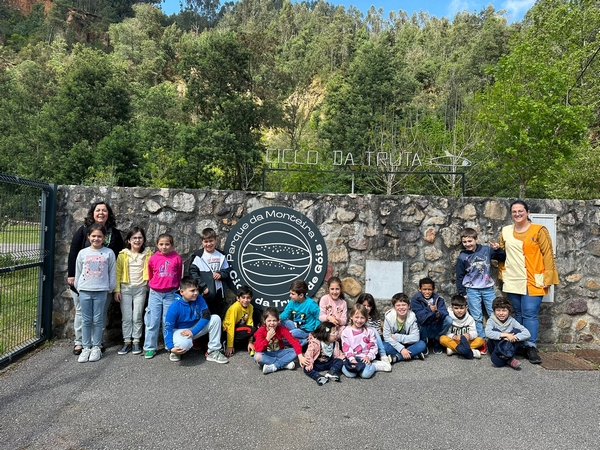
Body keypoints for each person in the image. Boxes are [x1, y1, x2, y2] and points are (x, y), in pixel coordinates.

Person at [499, 200, 559, 364]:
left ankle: (530, 346)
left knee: (529, 313)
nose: (517, 214)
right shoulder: (506, 231)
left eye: (520, 211)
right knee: (518, 313)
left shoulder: (539, 230)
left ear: (527, 212)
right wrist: (501, 271)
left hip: (533, 278)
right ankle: (518, 344)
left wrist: (548, 277)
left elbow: (548, 254)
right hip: (513, 277)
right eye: (514, 211)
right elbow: (503, 254)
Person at [67, 201, 123, 355]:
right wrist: (72, 275)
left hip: (103, 283)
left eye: (104, 210)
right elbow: (74, 253)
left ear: (108, 214)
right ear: (93, 213)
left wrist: (114, 285)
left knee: (100, 313)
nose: (101, 213)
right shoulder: (83, 230)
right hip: (84, 281)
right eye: (98, 210)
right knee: (81, 312)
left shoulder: (115, 233)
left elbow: (118, 258)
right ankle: (80, 342)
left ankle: (96, 342)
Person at [456, 227, 506, 353]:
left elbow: (502, 257)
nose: (467, 244)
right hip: (472, 289)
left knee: (494, 313)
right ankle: (482, 341)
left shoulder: (486, 250)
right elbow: (460, 275)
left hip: (487, 288)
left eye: (470, 241)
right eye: (464, 242)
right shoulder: (462, 256)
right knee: (477, 316)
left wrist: (497, 249)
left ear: (476, 239)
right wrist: (463, 292)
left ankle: (497, 340)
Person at [74, 223, 116, 363]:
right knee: (86, 320)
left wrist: (110, 287)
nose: (96, 239)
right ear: (88, 236)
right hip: (85, 290)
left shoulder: (109, 253)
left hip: (101, 290)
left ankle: (96, 346)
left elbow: (112, 271)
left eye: (99, 236)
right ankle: (86, 347)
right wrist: (78, 286)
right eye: (93, 236)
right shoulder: (83, 253)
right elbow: (78, 271)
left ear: (104, 237)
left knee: (98, 319)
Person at [164, 276, 228, 363]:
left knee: (215, 318)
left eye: (197, 290)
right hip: (180, 331)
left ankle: (213, 351)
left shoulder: (199, 299)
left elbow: (206, 316)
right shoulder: (174, 307)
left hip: (194, 329)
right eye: (192, 290)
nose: (196, 293)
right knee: (183, 345)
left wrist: (193, 332)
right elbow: (167, 329)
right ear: (182, 292)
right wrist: (170, 347)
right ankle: (175, 351)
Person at [143, 234, 182, 359]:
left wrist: (175, 287)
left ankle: (169, 346)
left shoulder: (176, 258)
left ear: (172, 245)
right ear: (157, 245)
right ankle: (150, 347)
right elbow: (151, 275)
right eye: (161, 244)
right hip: (155, 293)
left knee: (168, 321)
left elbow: (178, 275)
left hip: (170, 293)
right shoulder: (153, 259)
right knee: (152, 321)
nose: (164, 247)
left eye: (167, 244)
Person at [114, 227, 152, 356]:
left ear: (144, 240)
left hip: (140, 289)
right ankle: (127, 341)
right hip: (125, 289)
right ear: (129, 240)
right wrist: (117, 290)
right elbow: (117, 273)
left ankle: (136, 340)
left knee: (137, 316)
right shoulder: (123, 255)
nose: (137, 240)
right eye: (134, 238)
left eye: (140, 237)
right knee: (126, 317)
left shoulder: (147, 254)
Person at [188, 228, 231, 317]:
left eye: (211, 241)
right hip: (205, 293)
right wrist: (203, 287)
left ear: (216, 240)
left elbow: (227, 271)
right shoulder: (198, 256)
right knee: (204, 315)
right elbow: (193, 273)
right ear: (202, 242)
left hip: (219, 292)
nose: (208, 244)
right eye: (206, 241)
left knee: (216, 315)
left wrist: (221, 274)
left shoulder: (221, 255)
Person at [253, 307, 306, 374]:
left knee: (295, 351)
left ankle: (274, 366)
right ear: (264, 321)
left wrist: (300, 356)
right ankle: (284, 364)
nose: (272, 323)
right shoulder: (260, 331)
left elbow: (294, 341)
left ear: (278, 321)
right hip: (267, 354)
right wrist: (267, 338)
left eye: (274, 320)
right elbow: (258, 349)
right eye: (269, 321)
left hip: (279, 352)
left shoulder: (281, 329)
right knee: (257, 357)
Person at [485, 296, 531, 370]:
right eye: (498, 310)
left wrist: (514, 337)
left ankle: (507, 358)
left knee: (517, 331)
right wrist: (506, 335)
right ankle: (510, 358)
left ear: (509, 311)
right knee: (494, 331)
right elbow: (488, 333)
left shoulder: (512, 321)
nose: (501, 313)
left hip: (508, 348)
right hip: (495, 348)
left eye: (504, 310)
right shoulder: (491, 320)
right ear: (494, 311)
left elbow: (527, 333)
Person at [410, 277, 452, 354]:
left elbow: (444, 312)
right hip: (424, 327)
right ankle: (424, 343)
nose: (427, 292)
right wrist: (429, 309)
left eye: (429, 289)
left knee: (448, 320)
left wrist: (438, 314)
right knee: (421, 322)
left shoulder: (438, 299)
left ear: (433, 289)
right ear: (419, 289)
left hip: (436, 325)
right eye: (424, 289)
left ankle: (437, 339)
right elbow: (419, 316)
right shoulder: (415, 300)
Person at [382, 293, 426, 363]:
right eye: (398, 305)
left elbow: (415, 338)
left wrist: (396, 337)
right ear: (394, 307)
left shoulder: (412, 317)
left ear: (408, 306)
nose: (401, 307)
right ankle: (413, 354)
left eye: (404, 305)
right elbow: (387, 337)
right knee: (383, 345)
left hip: (408, 343)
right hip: (394, 344)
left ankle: (397, 357)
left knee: (422, 344)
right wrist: (401, 349)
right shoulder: (389, 317)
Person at [439, 295, 485, 359]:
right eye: (456, 308)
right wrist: (453, 336)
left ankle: (454, 350)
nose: (459, 311)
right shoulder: (449, 318)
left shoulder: (470, 319)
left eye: (461, 308)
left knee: (480, 341)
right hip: (454, 341)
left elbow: (474, 332)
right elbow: (446, 332)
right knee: (442, 339)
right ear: (452, 308)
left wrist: (469, 335)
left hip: (466, 342)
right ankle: (471, 352)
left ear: (466, 308)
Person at [340, 304, 377, 379]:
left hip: (364, 358)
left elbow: (373, 346)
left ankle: (375, 366)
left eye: (362, 318)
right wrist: (352, 359)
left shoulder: (369, 331)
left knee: (365, 375)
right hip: (351, 358)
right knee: (350, 374)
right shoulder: (346, 331)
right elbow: (346, 347)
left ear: (366, 318)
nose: (359, 320)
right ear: (351, 316)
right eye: (356, 317)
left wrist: (368, 357)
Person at [280, 280, 320, 346]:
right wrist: (278, 319)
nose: (290, 295)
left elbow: (318, 317)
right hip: (295, 326)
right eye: (290, 293)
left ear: (301, 295)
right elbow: (286, 313)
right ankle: (295, 339)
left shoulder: (310, 304)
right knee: (280, 322)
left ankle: (303, 341)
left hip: (306, 330)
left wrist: (316, 331)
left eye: (293, 294)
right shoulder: (292, 301)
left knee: (284, 337)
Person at [356, 292, 390, 365]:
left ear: (372, 307)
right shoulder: (355, 317)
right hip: (360, 341)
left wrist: (379, 332)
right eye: (364, 305)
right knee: (372, 330)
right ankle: (382, 355)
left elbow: (379, 335)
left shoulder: (375, 317)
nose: (366, 308)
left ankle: (382, 355)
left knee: (387, 345)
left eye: (368, 306)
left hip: (373, 342)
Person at [222, 285, 256, 357]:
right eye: (243, 297)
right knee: (252, 329)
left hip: (239, 329)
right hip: (227, 330)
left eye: (248, 298)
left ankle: (245, 344)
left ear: (251, 298)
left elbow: (250, 323)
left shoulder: (250, 307)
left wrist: (250, 341)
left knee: (253, 330)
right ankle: (226, 343)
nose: (245, 300)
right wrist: (229, 345)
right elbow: (231, 326)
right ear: (238, 298)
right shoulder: (235, 307)